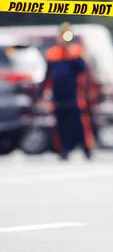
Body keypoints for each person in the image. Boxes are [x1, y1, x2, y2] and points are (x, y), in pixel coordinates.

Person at [37, 22, 95, 161]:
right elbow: (47, 76)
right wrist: (41, 95)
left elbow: (82, 69)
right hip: (58, 96)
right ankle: (64, 150)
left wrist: (71, 52)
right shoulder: (52, 53)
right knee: (61, 125)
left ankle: (86, 149)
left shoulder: (77, 51)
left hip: (75, 95)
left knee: (80, 124)